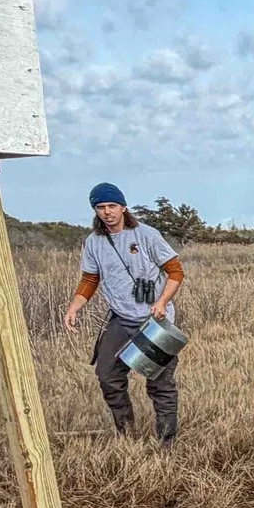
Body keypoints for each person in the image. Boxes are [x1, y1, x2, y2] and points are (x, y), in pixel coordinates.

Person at [63, 183, 184, 443]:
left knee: (159, 384)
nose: (107, 212)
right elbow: (90, 279)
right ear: (95, 210)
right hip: (120, 317)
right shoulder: (93, 242)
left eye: (112, 206)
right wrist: (74, 307)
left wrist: (162, 302)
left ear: (123, 207)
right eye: (101, 207)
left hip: (155, 321)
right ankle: (126, 434)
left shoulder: (146, 235)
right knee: (107, 376)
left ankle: (167, 442)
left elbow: (176, 271)